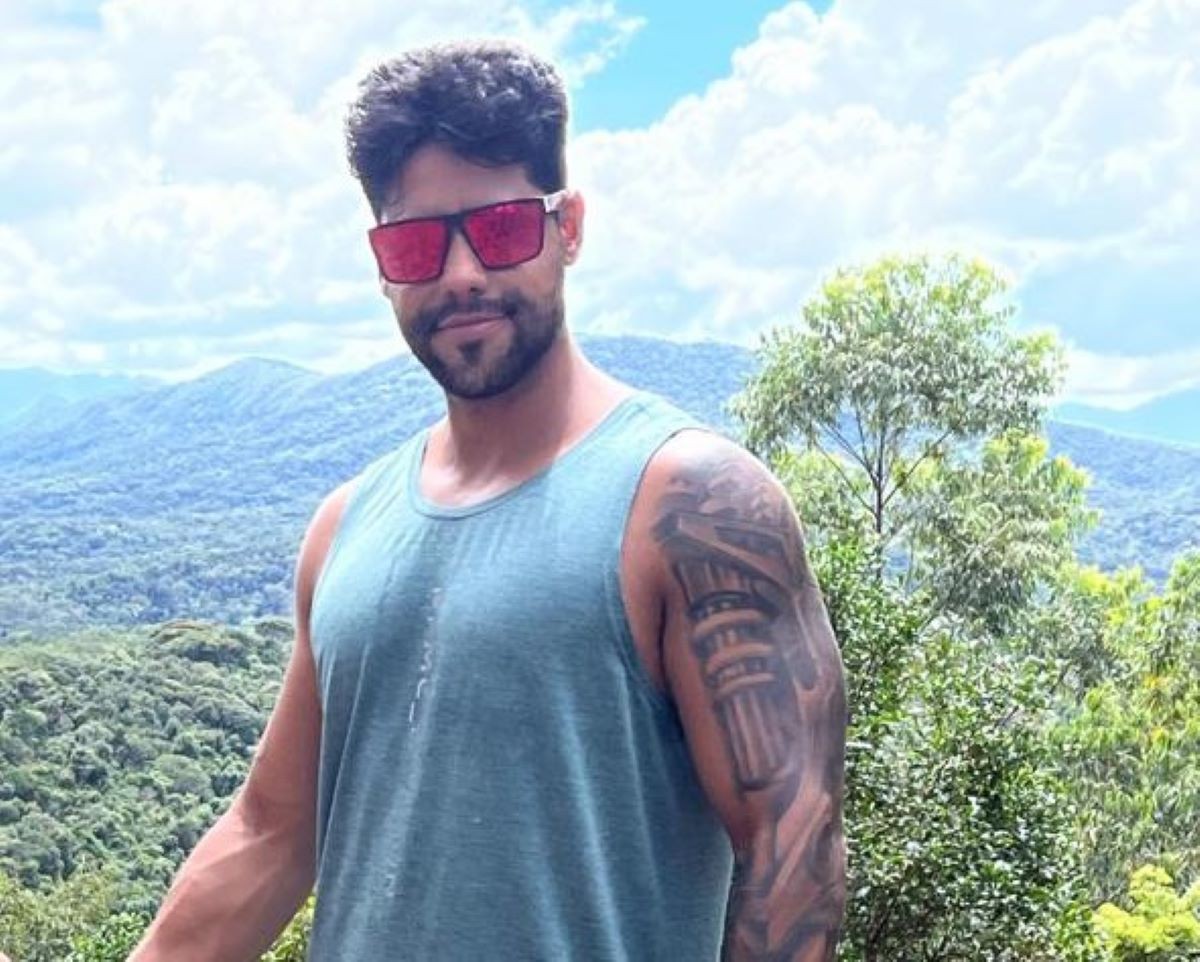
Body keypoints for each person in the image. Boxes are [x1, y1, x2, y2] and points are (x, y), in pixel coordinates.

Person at [130, 40, 847, 961]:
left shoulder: (691, 505)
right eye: (416, 243)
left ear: (569, 228)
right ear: (382, 264)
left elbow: (794, 851)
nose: (461, 272)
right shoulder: (345, 528)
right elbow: (272, 832)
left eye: (501, 228)